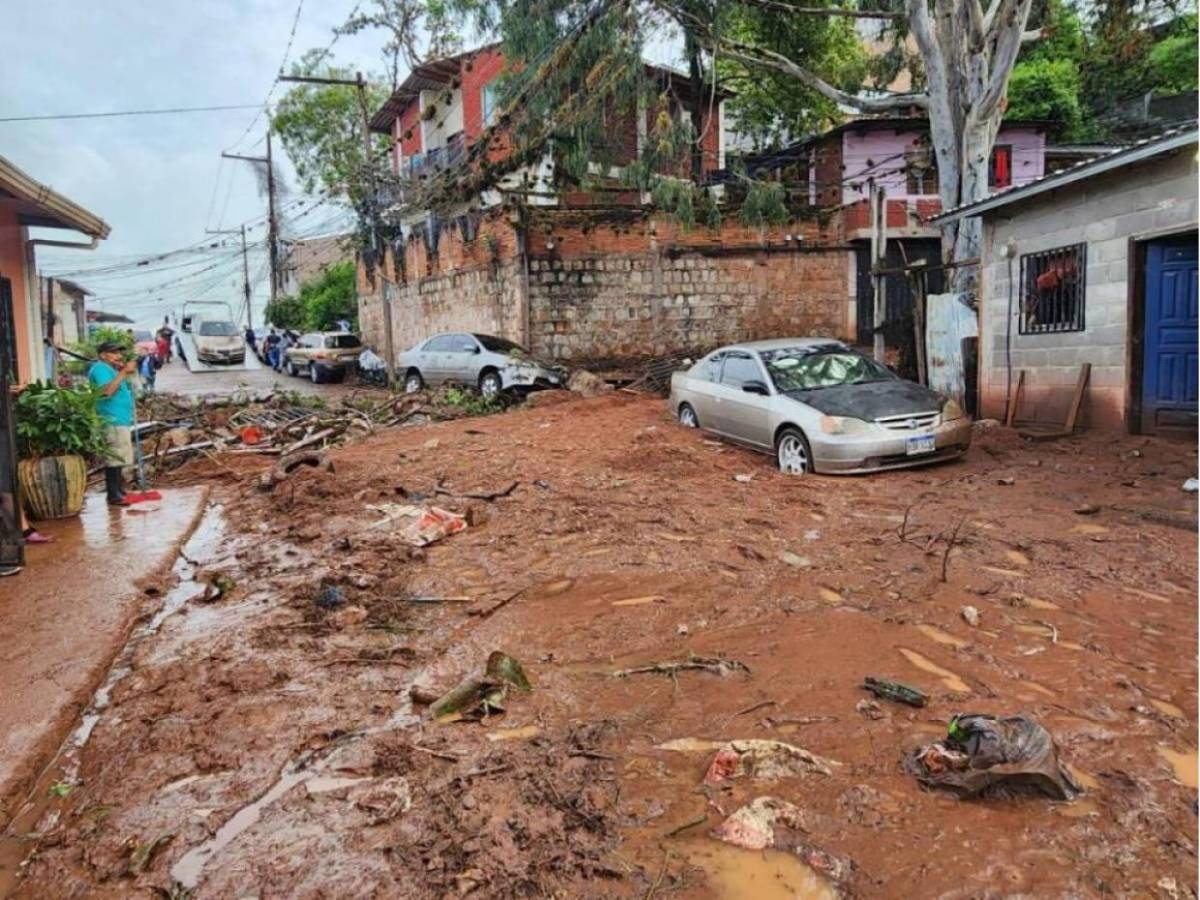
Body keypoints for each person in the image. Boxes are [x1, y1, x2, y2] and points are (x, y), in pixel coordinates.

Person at [89, 341, 138, 506]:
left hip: (120, 418)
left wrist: (122, 372)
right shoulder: (100, 369)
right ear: (103, 355)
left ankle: (118, 490)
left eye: (119, 352)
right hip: (111, 418)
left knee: (121, 455)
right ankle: (113, 494)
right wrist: (123, 372)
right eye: (114, 352)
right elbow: (107, 392)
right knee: (114, 455)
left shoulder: (111, 370)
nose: (119, 356)